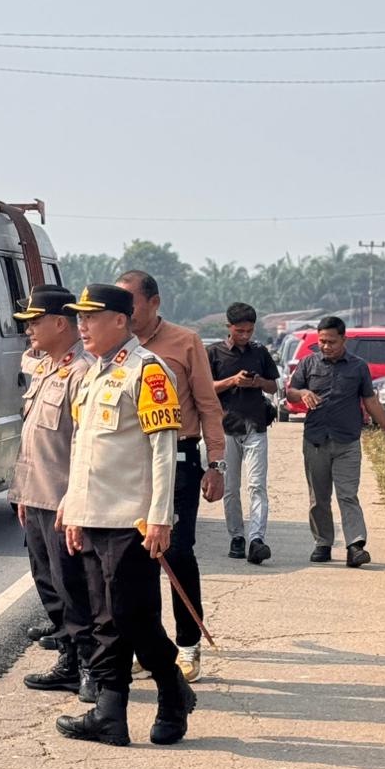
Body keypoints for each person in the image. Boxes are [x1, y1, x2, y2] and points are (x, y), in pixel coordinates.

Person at [55, 284, 195, 748]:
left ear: (121, 319)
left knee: (132, 616)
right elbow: (84, 450)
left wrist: (161, 517)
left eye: (90, 318)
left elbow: (163, 449)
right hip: (93, 516)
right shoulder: (92, 375)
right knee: (103, 619)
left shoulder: (148, 371)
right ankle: (110, 716)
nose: (82, 327)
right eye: (79, 318)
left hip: (132, 520)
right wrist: (73, 509)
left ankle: (171, 688)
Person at [116, 271, 226, 684]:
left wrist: (216, 465)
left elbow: (208, 405)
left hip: (179, 460)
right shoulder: (116, 348)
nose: (124, 311)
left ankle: (187, 644)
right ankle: (150, 648)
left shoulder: (185, 342)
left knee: (176, 553)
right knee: (134, 559)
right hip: (130, 464)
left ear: (154, 302)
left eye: (131, 301)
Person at [9, 286, 96, 701]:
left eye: (34, 321)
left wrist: (73, 499)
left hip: (63, 501)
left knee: (75, 588)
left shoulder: (82, 371)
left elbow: (85, 443)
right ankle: (67, 659)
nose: (28, 330)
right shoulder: (46, 367)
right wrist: (23, 493)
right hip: (36, 494)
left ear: (60, 323)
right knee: (48, 584)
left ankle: (92, 670)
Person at [288, 316, 385, 567]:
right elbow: (290, 390)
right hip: (315, 441)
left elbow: (371, 401)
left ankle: (355, 545)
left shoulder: (358, 367)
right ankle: (322, 543)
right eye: (322, 341)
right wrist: (303, 393)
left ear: (344, 339)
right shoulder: (308, 363)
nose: (326, 346)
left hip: (347, 442)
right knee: (318, 497)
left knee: (347, 495)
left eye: (331, 341)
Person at [207, 303, 279, 564]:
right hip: (226, 427)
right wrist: (232, 381)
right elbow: (205, 389)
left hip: (256, 426)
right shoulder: (214, 353)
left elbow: (273, 386)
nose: (245, 336)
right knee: (232, 487)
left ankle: (257, 538)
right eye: (240, 331)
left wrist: (258, 382)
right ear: (229, 327)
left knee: (257, 485)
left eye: (249, 331)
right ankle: (236, 536)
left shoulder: (260, 353)